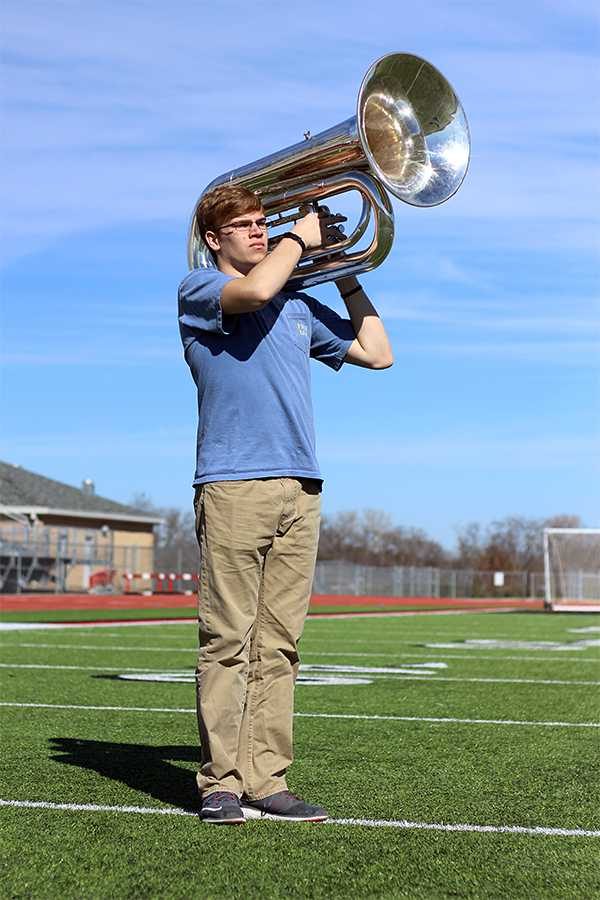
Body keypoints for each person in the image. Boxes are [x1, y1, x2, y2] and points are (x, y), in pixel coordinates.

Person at [178, 184, 393, 825]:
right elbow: (253, 291)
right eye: (243, 226)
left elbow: (378, 354)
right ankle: (220, 781)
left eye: (261, 223)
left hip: (303, 486)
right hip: (234, 485)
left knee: (280, 645)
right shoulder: (200, 291)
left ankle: (265, 779)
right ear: (214, 240)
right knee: (227, 641)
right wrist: (301, 236)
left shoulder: (297, 303)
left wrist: (348, 274)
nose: (258, 232)